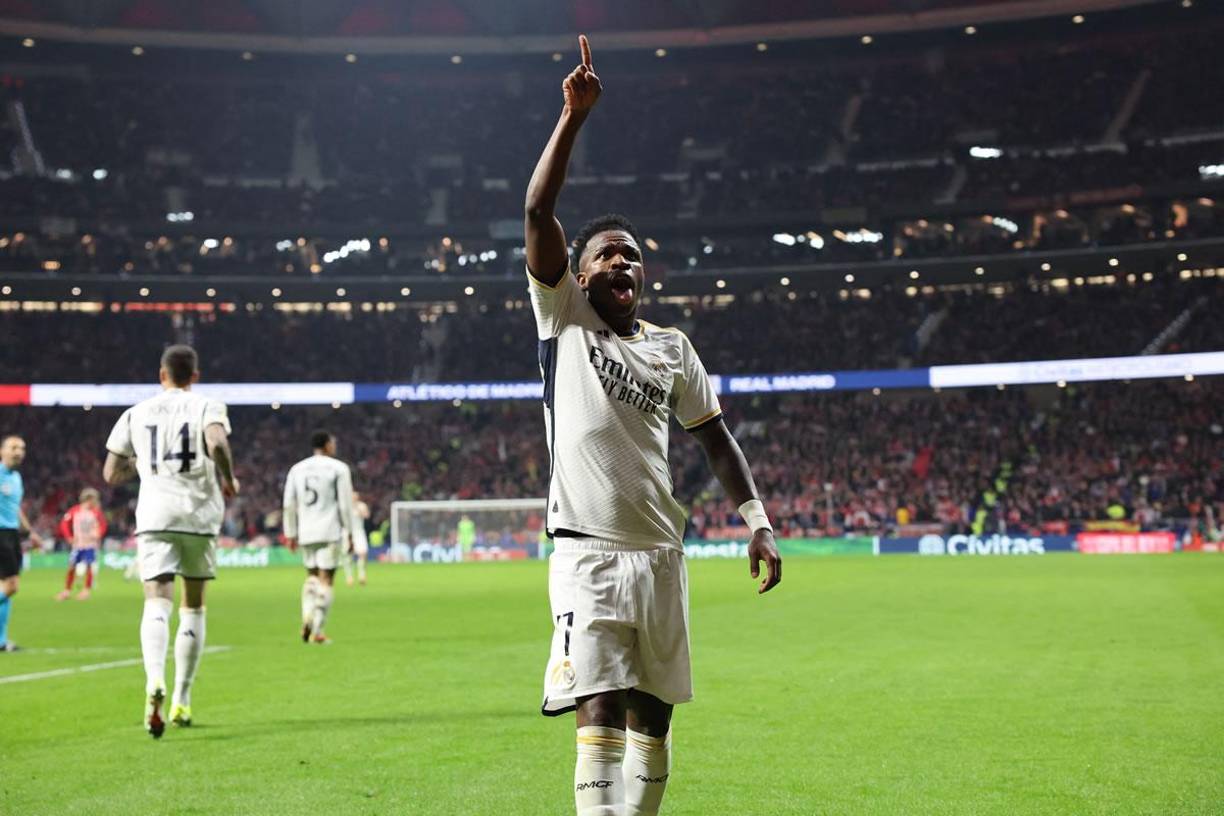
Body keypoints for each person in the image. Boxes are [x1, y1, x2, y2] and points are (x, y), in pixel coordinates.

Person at [523, 35, 782, 816]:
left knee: (654, 721)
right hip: (588, 554)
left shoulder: (673, 348)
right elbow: (538, 210)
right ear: (581, 271)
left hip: (662, 553)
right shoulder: (563, 317)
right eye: (606, 256)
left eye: (632, 258)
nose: (622, 265)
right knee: (596, 706)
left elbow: (714, 437)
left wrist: (757, 521)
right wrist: (571, 119)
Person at [103, 344, 238, 738]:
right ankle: (182, 696)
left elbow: (111, 473)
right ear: (194, 376)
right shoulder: (207, 406)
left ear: (162, 374)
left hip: (156, 516)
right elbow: (215, 443)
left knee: (156, 600)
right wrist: (227, 479)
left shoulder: (136, 412)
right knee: (192, 606)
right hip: (198, 516)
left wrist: (144, 467)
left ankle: (154, 680)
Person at [283, 431, 354, 644]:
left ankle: (307, 615)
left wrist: (290, 533)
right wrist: (349, 531)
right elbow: (344, 503)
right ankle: (318, 630)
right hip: (329, 530)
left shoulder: (297, 469)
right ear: (327, 445)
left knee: (311, 577)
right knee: (327, 580)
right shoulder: (339, 468)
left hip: (306, 531)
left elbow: (288, 504)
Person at [0, 435, 47, 652]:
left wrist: (30, 533)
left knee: (5, 589)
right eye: (13, 447)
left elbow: (15, 508)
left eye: (22, 447)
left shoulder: (16, 478)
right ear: (2, 451)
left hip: (11, 535)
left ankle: (1, 641)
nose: (19, 451)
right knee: (11, 586)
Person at [56, 487, 107, 601]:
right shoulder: (74, 510)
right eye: (94, 499)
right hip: (78, 545)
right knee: (71, 566)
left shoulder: (96, 512)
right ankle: (67, 591)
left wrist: (98, 534)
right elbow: (64, 524)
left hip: (90, 545)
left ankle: (86, 591)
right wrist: (69, 537)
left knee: (89, 566)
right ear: (89, 499)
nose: (96, 502)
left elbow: (103, 525)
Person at [343, 491, 370, 587]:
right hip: (347, 532)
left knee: (362, 553)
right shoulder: (344, 507)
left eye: (355, 496)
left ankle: (362, 575)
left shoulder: (361, 506)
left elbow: (367, 515)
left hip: (359, 532)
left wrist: (359, 511)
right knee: (348, 554)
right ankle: (349, 577)